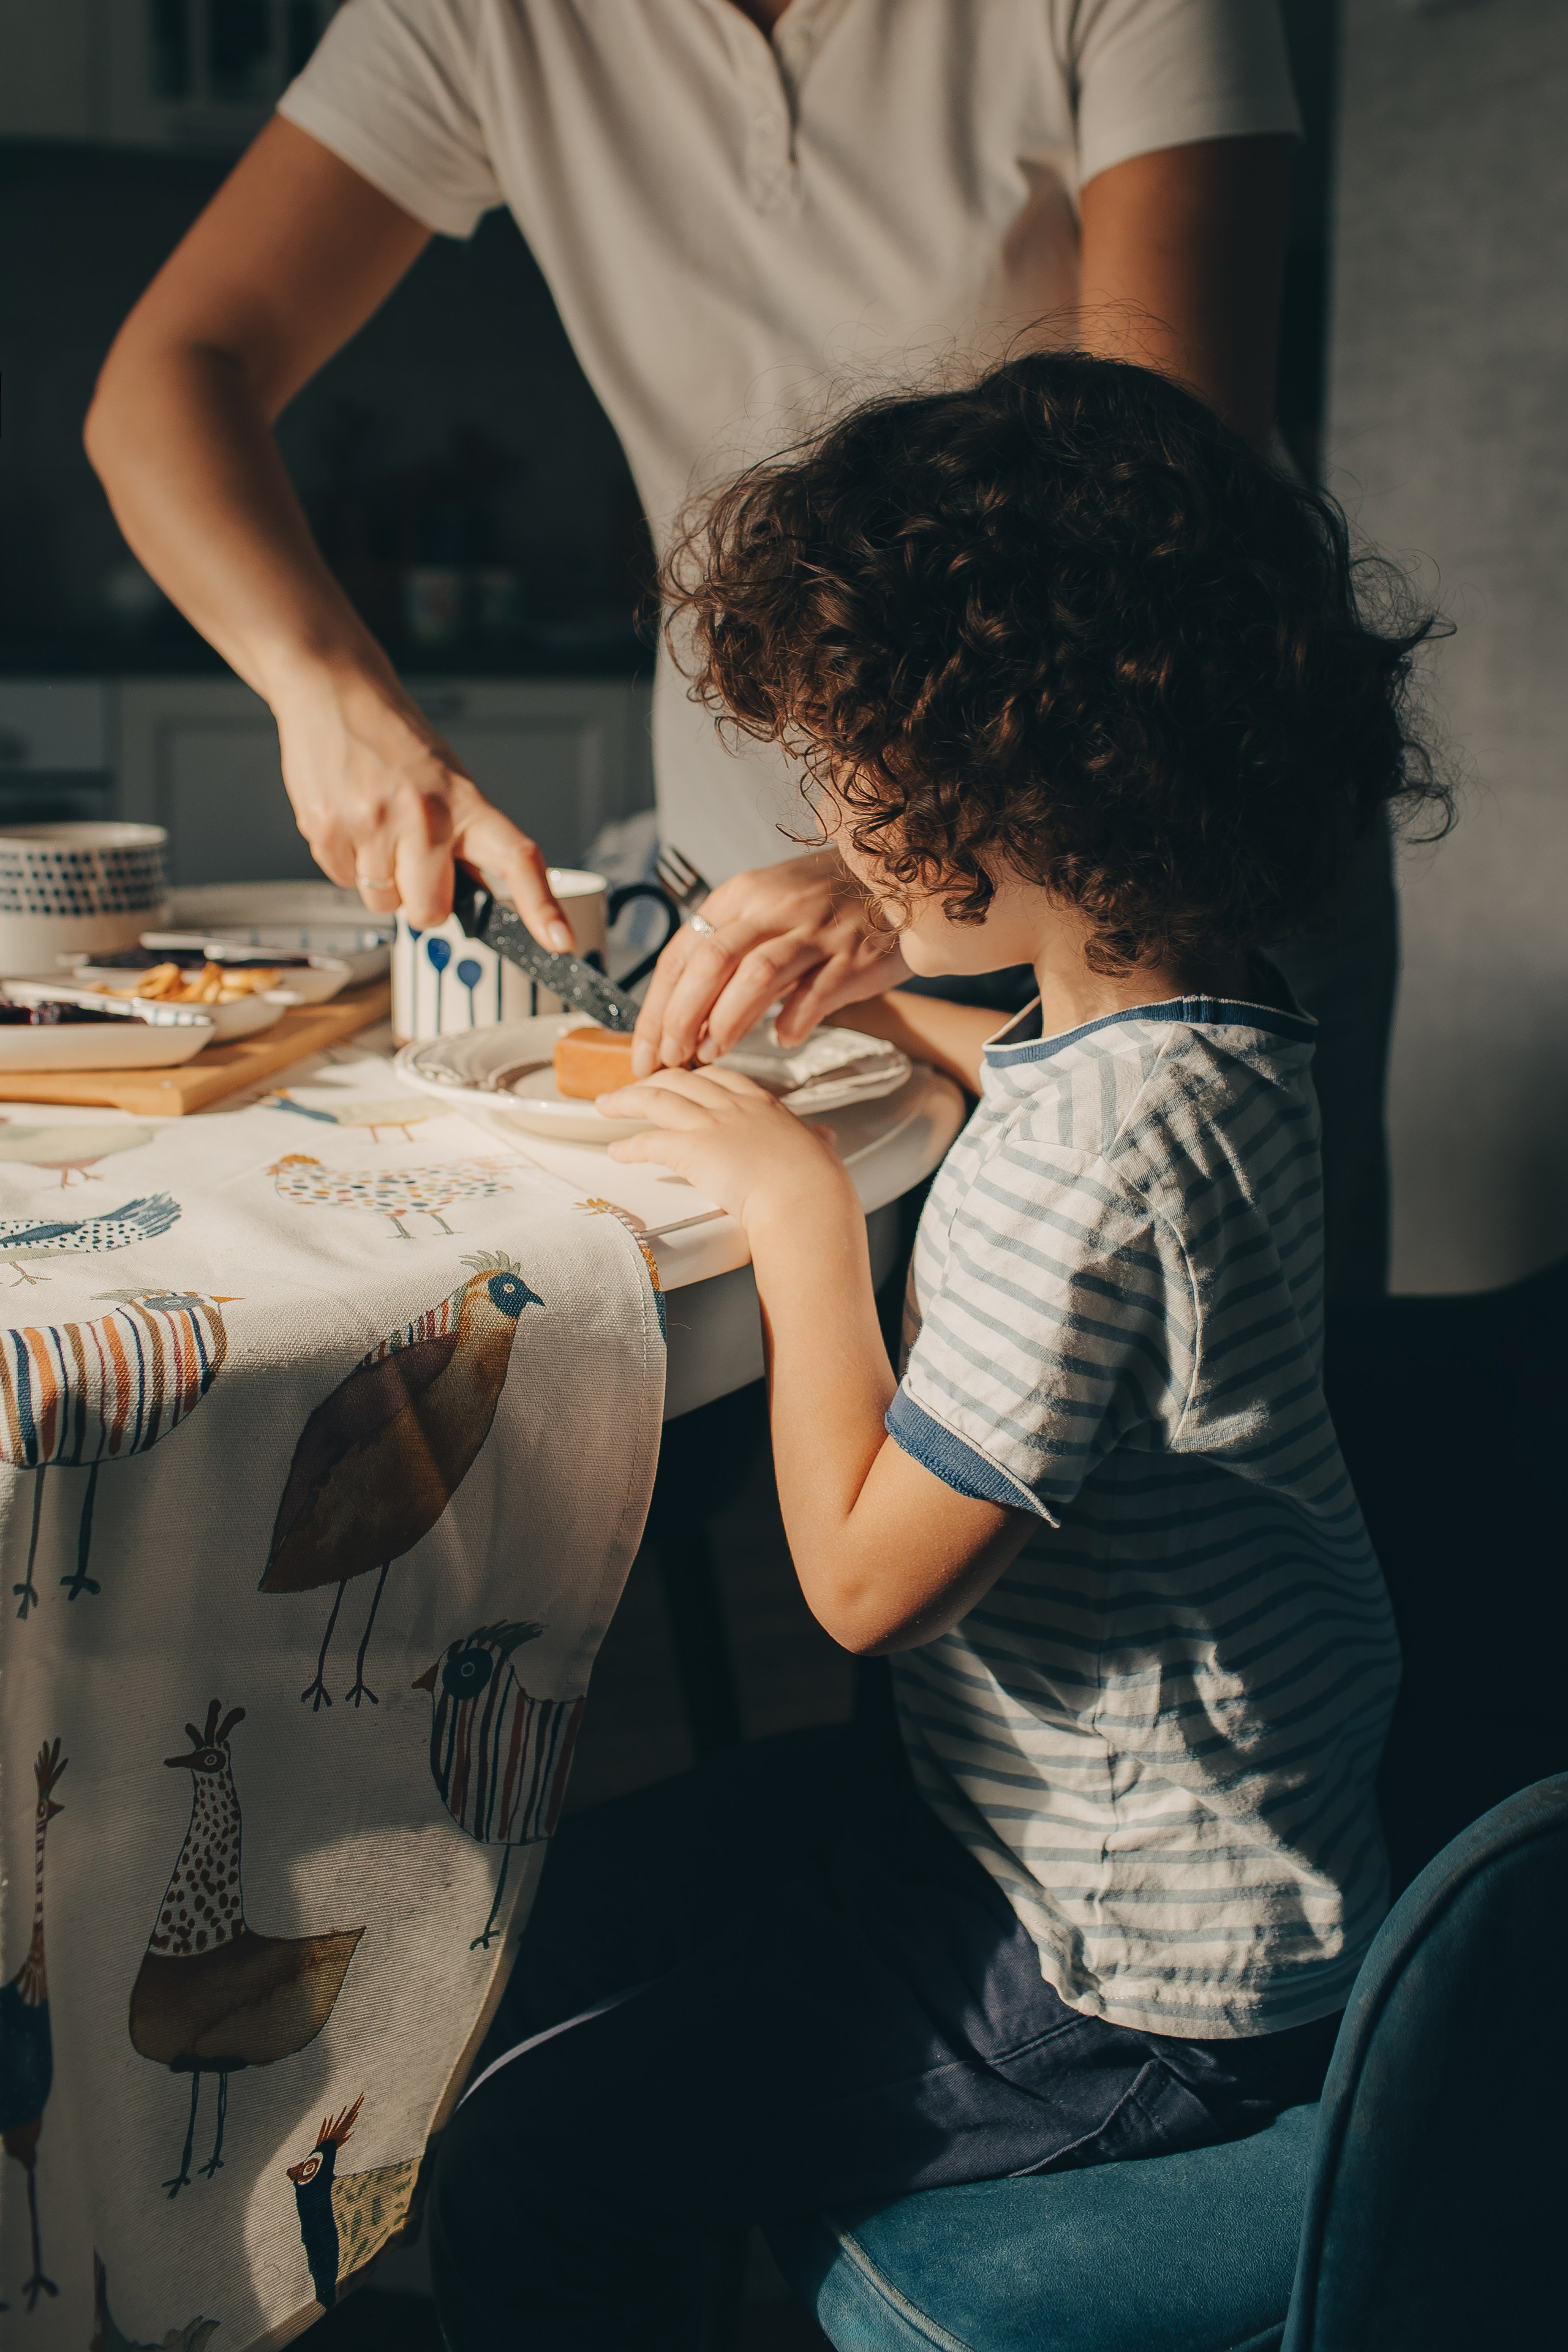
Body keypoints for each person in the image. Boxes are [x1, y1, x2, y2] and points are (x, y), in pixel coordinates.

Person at [426, 349, 1443, 2348]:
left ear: (995, 783)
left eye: (843, 773)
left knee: (543, 2155)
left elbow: (868, 1583)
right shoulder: (1217, 1020)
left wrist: (803, 1208)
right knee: (557, 1913)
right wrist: (899, 1020)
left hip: (1124, 1970)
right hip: (1127, 1833)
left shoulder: (1086, 1168)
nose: (823, 814)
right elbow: (1083, 1104)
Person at [80, 5, 1362, 1246]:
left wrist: (907, 847)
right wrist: (329, 699)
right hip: (800, 935)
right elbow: (167, 377)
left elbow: (1159, 497)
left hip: (1136, 851)